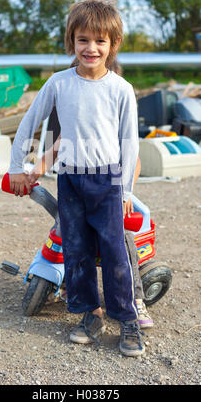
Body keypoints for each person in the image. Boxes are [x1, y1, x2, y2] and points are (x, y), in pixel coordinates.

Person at [8, 0, 145, 356]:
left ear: (113, 44)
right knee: (77, 251)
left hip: (108, 182)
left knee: (115, 252)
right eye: (83, 39)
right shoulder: (58, 84)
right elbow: (30, 124)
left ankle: (127, 318)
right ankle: (90, 313)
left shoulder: (121, 90)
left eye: (100, 41)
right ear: (72, 41)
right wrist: (18, 168)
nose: (91, 48)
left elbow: (129, 143)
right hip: (69, 180)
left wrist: (126, 190)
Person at [27, 139, 154, 329]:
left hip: (111, 195)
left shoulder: (110, 130)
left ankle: (135, 298)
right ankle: (68, 284)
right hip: (78, 196)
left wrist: (125, 190)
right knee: (68, 233)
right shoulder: (73, 129)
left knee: (123, 239)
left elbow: (134, 161)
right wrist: (32, 176)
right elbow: (55, 150)